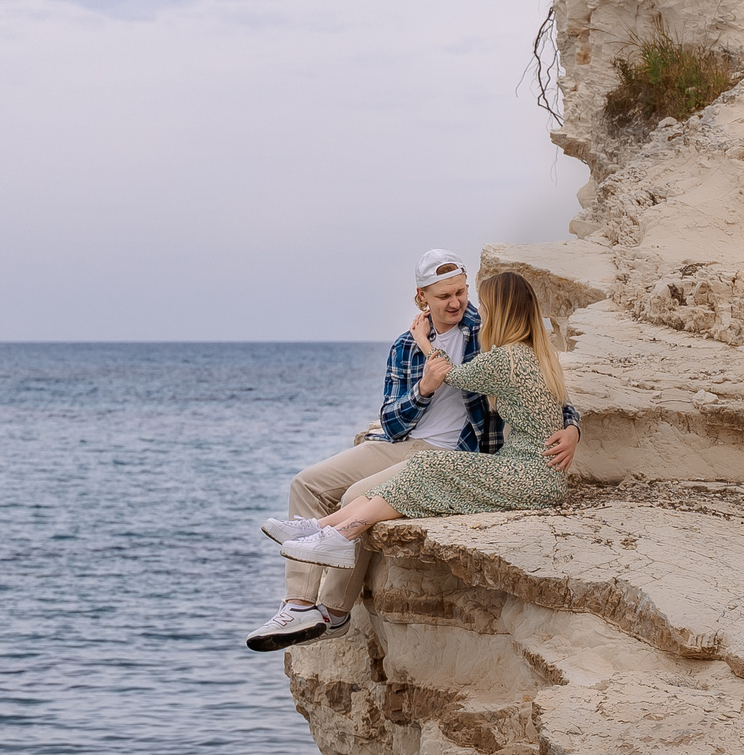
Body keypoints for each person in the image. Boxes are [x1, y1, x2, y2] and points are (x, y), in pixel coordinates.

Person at [244, 252, 577, 652]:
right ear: (422, 298)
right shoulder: (405, 346)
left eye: (460, 292)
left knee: (355, 496)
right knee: (306, 483)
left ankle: (332, 612)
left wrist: (573, 427)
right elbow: (391, 422)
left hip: (457, 450)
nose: (456, 302)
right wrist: (423, 389)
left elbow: (544, 387)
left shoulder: (487, 331)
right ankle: (299, 605)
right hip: (402, 443)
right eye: (444, 296)